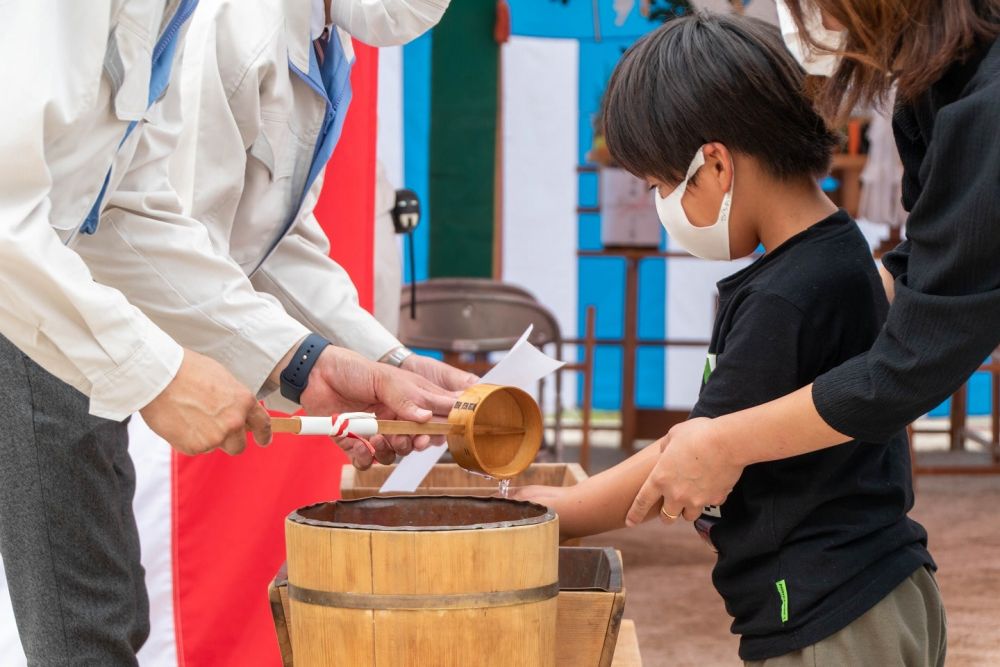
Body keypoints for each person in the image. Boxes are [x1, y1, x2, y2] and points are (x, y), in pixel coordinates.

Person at [0, 1, 457, 664]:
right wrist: (159, 372)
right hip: (47, 312)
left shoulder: (202, 20)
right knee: (88, 628)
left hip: (72, 310)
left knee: (107, 616)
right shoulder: (238, 28)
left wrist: (315, 363)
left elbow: (127, 214)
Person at [517, 13, 943, 665]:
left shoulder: (786, 295)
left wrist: (567, 511)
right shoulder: (836, 255)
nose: (662, 208)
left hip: (830, 616)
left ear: (714, 164)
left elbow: (689, 447)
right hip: (875, 590)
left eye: (661, 185)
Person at [624, 0, 1000, 534]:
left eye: (660, 185)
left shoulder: (986, 105)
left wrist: (722, 442)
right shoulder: (933, 92)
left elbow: (912, 360)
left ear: (715, 164)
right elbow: (936, 255)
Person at [159, 0, 469, 468]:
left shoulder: (326, 42)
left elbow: (272, 243)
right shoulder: (235, 24)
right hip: (63, 307)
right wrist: (305, 364)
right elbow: (173, 246)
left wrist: (390, 362)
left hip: (116, 326)